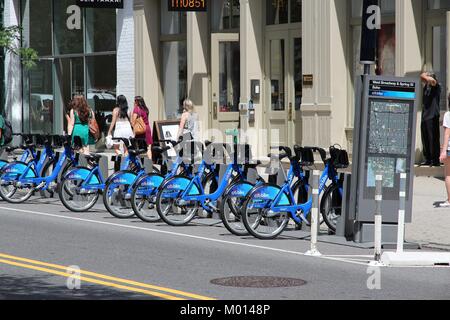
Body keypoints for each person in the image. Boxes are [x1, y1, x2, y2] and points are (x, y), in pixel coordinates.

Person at [420, 72, 442, 167]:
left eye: (428, 77)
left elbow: (430, 80)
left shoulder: (436, 86)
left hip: (432, 116)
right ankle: (428, 159)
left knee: (433, 138)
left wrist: (424, 75)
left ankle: (435, 160)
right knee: (425, 138)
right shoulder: (426, 87)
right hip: (425, 116)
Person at [439, 95, 450, 207]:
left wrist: (443, 150)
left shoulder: (448, 115)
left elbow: (447, 132)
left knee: (448, 174)